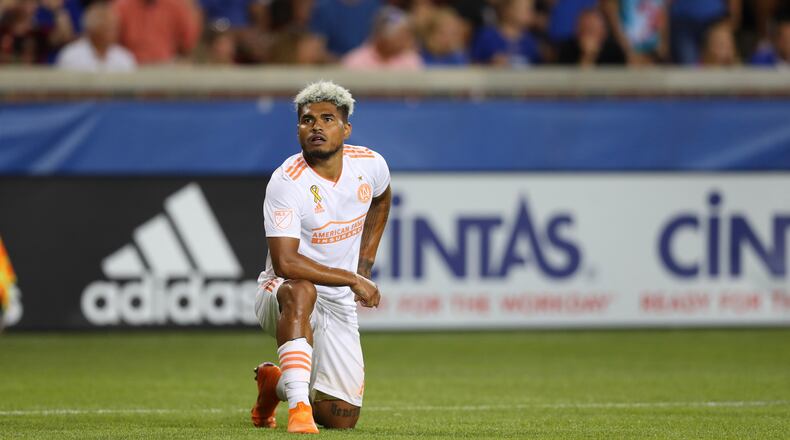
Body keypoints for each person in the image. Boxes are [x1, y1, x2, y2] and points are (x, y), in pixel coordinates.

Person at [250, 81, 392, 433]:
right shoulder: (287, 181)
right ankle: (298, 409)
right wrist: (353, 279)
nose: (315, 126)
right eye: (306, 120)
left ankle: (275, 384)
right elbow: (285, 263)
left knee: (340, 418)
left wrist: (364, 265)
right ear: (298, 129)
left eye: (327, 119)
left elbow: (382, 198)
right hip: (280, 292)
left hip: (338, 300)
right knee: (302, 289)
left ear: (346, 129)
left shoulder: (370, 165)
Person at [113, 0, 201, 64]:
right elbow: (111, 48)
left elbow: (190, 45)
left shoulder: (177, 7)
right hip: (130, 70)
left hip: (167, 71)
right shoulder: (121, 7)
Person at [56, 2, 136, 72]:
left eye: (114, 28)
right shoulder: (71, 56)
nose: (114, 33)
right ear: (92, 30)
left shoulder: (124, 57)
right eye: (107, 28)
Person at [342, 6, 423, 70]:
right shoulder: (354, 62)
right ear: (382, 37)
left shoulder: (411, 59)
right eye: (402, 36)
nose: (408, 41)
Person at [470, 0, 541, 67]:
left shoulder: (531, 40)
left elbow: (538, 67)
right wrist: (490, 64)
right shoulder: (486, 35)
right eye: (524, 9)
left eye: (531, 8)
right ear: (508, 10)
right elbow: (473, 63)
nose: (530, 13)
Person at [557, 7, 625, 66]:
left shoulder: (614, 51)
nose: (588, 33)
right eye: (584, 28)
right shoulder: (566, 49)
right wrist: (587, 56)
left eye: (592, 28)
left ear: (604, 31)